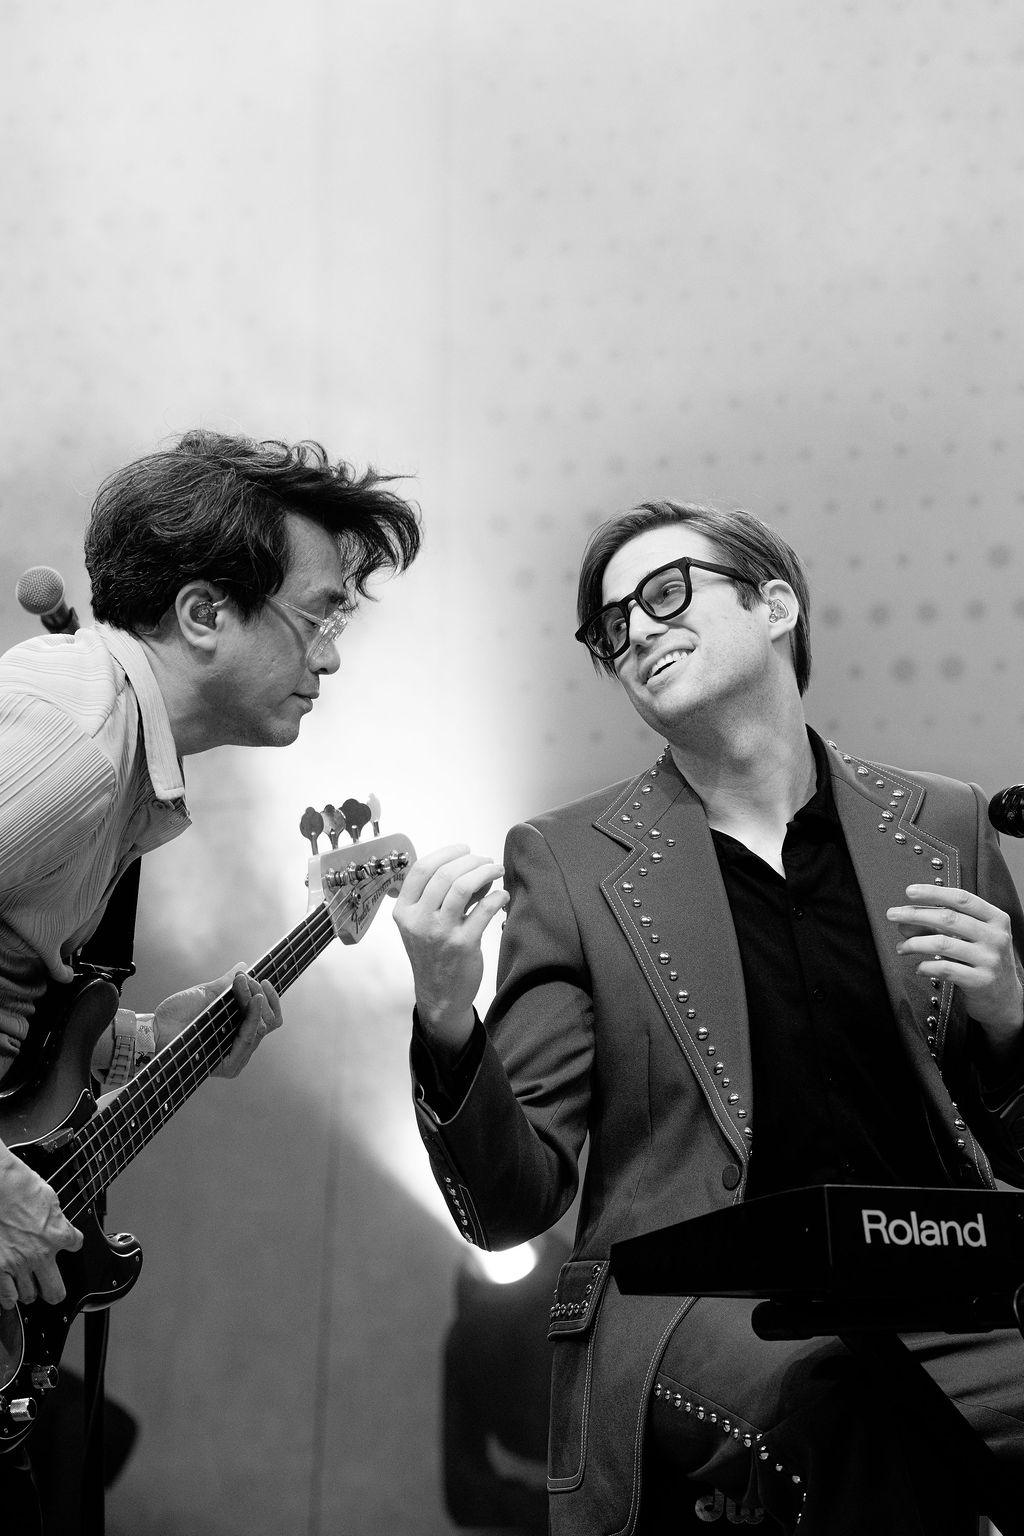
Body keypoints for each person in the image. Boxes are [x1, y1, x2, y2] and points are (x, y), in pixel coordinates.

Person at [394, 499, 1024, 1536]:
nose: (637, 631)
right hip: (698, 1310)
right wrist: (445, 1016)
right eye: (612, 626)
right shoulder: (571, 863)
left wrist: (1009, 1021)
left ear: (774, 605)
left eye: (665, 593)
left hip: (939, 1280)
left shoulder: (944, 822)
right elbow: (512, 1202)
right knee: (846, 1401)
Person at [0, 428, 421, 1528]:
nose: (332, 658)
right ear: (202, 614)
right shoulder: (74, 740)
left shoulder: (112, 750)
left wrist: (139, 1040)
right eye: (320, 616)